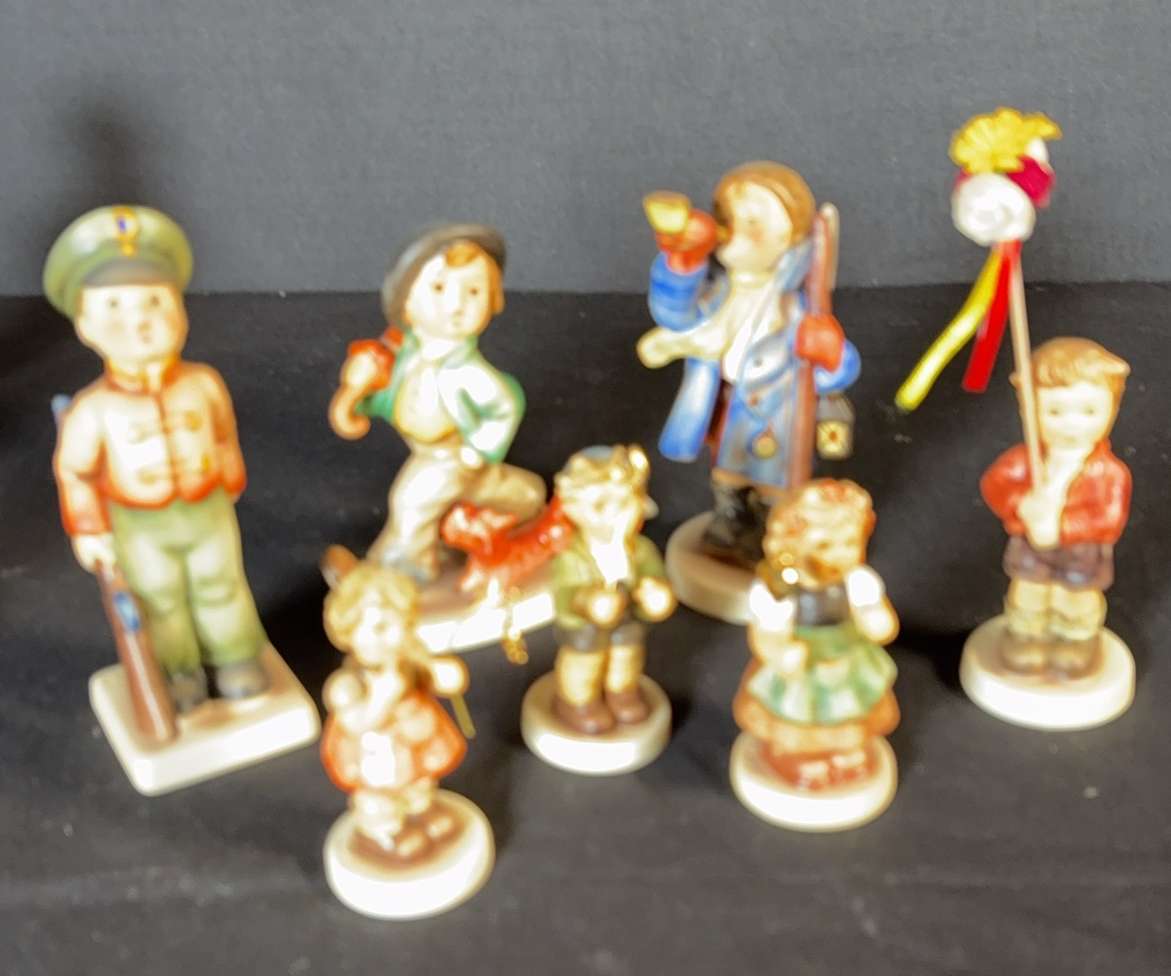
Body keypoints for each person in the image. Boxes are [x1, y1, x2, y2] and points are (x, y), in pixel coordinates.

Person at [48, 205, 269, 712]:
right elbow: (75, 472)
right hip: (139, 522)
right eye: (114, 307)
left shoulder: (204, 383)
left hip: (207, 508)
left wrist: (230, 476)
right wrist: (89, 529)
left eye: (153, 301)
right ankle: (178, 671)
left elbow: (222, 434)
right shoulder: (93, 409)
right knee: (159, 597)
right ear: (85, 326)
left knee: (222, 584)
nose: (139, 321)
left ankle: (235, 657)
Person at [637, 162, 860, 564]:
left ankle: (773, 529)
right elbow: (675, 316)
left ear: (791, 239)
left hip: (777, 410)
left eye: (753, 223)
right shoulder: (717, 294)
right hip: (727, 400)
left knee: (773, 478)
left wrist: (830, 354)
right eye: (728, 219)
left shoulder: (796, 310)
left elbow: (835, 370)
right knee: (728, 469)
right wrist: (682, 264)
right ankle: (729, 518)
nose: (733, 232)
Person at [329, 224, 545, 581]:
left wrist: (477, 451)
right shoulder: (405, 355)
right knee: (511, 493)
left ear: (493, 300)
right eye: (439, 288)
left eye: (473, 291)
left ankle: (398, 578)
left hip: (452, 457)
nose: (456, 305)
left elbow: (506, 405)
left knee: (412, 502)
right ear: (406, 300)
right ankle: (513, 507)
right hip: (427, 452)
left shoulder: (468, 372)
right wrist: (359, 395)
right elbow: (390, 398)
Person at [980, 338, 1131, 677]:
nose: (1071, 424)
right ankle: (1027, 636)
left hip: (1081, 552)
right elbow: (994, 485)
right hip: (1030, 547)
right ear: (1027, 410)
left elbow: (1108, 518)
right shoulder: (1025, 461)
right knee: (1028, 591)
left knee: (1075, 596)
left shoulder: (1109, 472)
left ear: (1113, 409)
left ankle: (1074, 640)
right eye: (1054, 412)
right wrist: (1021, 506)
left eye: (1088, 411)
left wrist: (1060, 525)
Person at [734, 480, 899, 789]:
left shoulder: (856, 581)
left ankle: (846, 751)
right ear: (792, 544)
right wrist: (779, 652)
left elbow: (878, 617)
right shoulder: (781, 589)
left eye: (849, 543)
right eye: (824, 546)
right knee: (800, 714)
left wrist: (876, 620)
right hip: (804, 665)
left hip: (847, 659)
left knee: (849, 710)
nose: (840, 555)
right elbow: (766, 632)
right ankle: (799, 756)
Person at [321, 560, 470, 862]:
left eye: (402, 624)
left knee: (418, 786)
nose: (394, 637)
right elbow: (356, 723)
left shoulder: (407, 662)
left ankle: (421, 811)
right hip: (376, 755)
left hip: (414, 748)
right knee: (378, 798)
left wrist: (440, 670)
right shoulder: (348, 684)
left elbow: (447, 680)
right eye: (379, 628)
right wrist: (382, 698)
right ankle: (383, 831)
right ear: (349, 632)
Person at [548, 445, 676, 734]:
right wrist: (588, 601)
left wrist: (657, 595)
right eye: (599, 505)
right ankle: (577, 702)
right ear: (572, 507)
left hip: (628, 616)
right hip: (585, 628)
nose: (613, 515)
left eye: (624, 503)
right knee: (584, 663)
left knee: (626, 656)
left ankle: (622, 693)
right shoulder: (571, 555)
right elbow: (565, 593)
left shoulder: (640, 550)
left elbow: (655, 575)